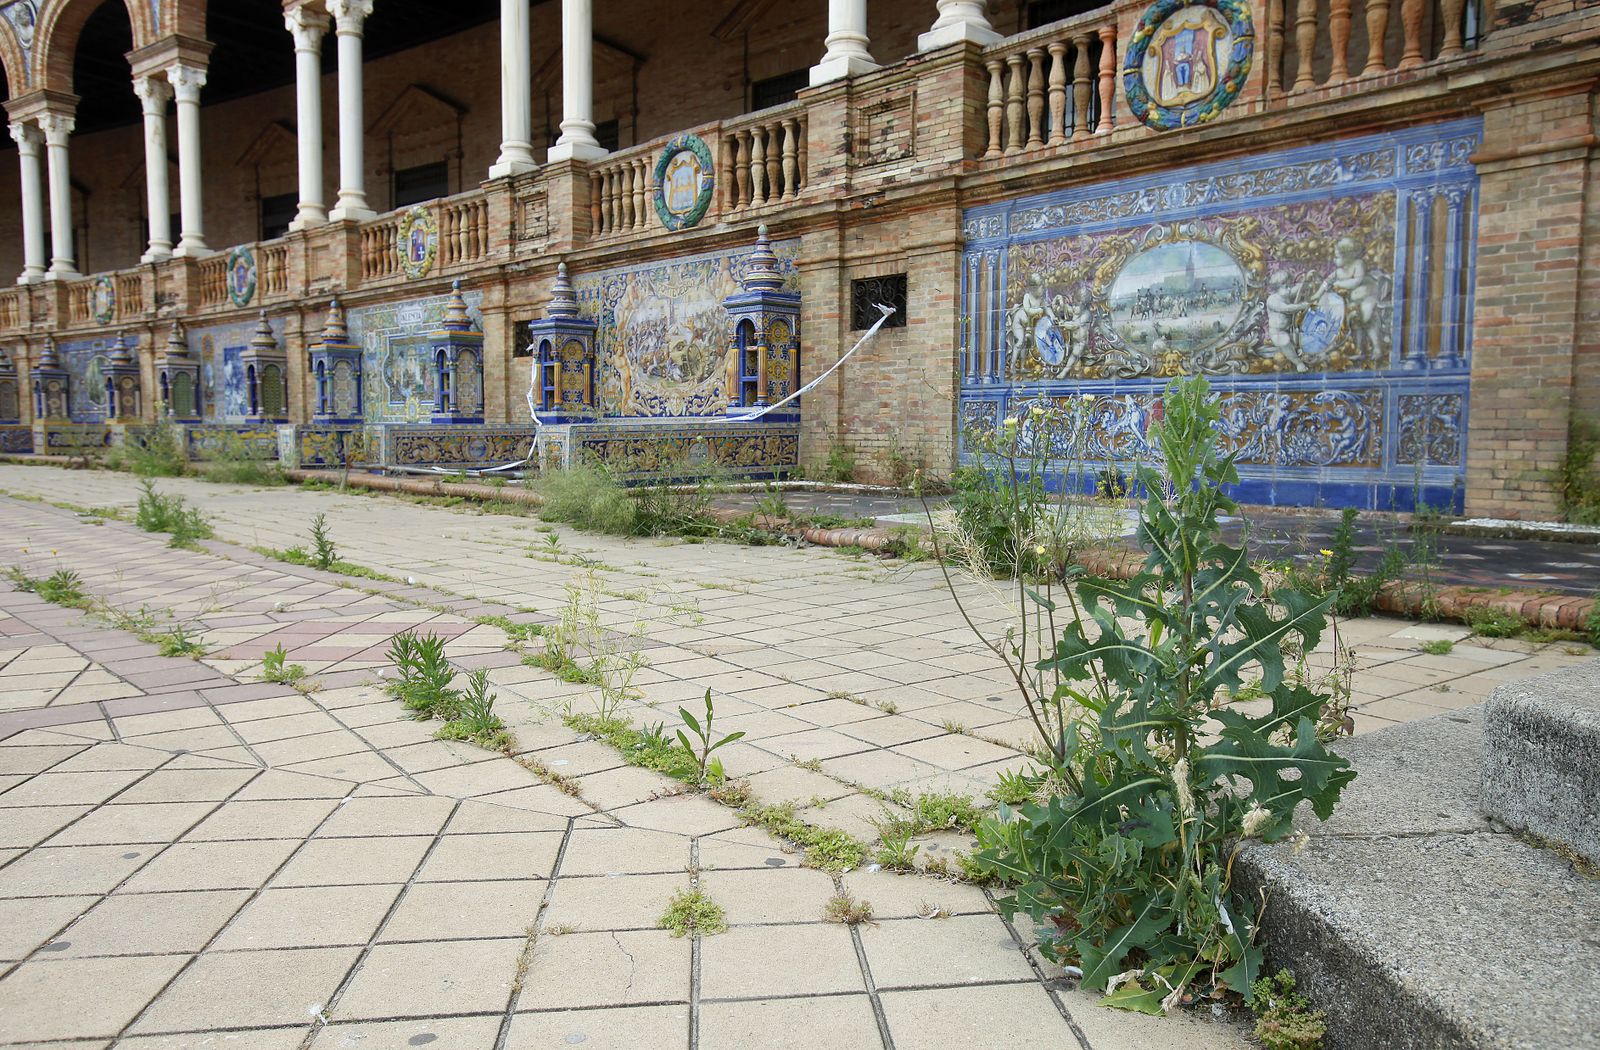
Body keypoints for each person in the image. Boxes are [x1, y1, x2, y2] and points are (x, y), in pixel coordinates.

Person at [1265, 270, 1313, 371]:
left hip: (1290, 329)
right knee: (1285, 342)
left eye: (1289, 285)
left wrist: (1305, 280)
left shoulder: (1285, 294)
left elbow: (1295, 290)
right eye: (1285, 285)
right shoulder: (1272, 299)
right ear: (1277, 287)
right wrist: (1301, 306)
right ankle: (1298, 364)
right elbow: (1286, 308)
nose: (1289, 288)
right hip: (1277, 331)